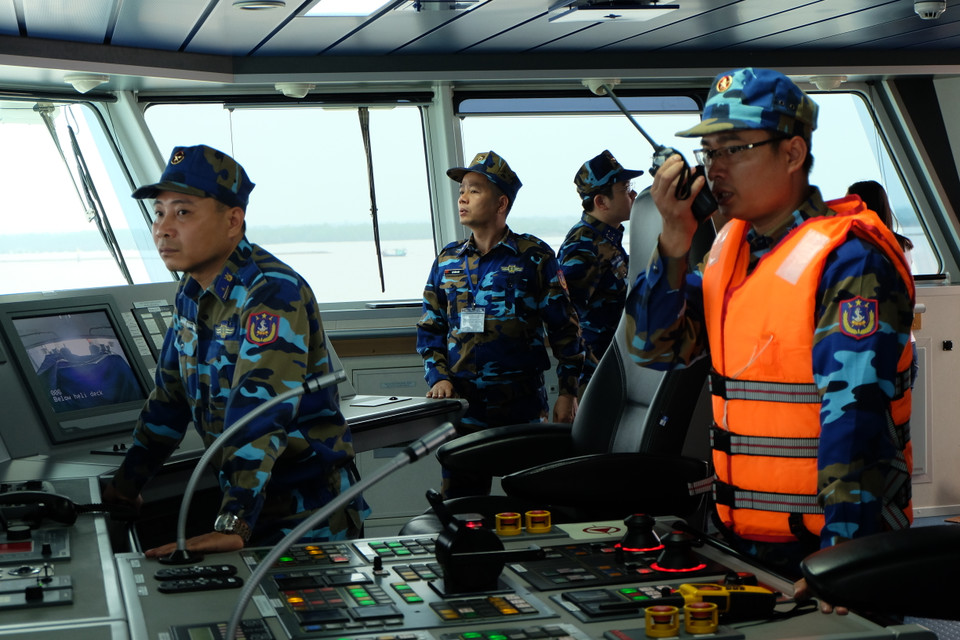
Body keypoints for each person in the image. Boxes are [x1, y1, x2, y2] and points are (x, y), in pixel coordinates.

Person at [623, 68, 915, 604]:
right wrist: (672, 239)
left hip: (830, 548)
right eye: (708, 154)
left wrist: (842, 559)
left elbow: (857, 420)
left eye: (735, 149)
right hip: (740, 543)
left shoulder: (850, 262)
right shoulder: (730, 253)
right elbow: (655, 346)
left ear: (792, 152)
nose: (715, 170)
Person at [104, 144, 368, 556]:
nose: (163, 228)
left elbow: (259, 411)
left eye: (183, 212)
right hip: (247, 502)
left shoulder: (270, 292)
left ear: (233, 220)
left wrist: (234, 519)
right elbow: (169, 402)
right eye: (159, 212)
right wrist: (126, 487)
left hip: (305, 514)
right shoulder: (191, 293)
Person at [417, 150, 585, 499]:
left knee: (530, 506)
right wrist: (439, 378)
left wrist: (568, 392)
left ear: (501, 202)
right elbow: (430, 328)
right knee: (462, 510)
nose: (462, 197)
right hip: (464, 406)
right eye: (462, 189)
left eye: (475, 189)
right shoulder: (448, 260)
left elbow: (565, 330)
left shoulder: (534, 256)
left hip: (520, 406)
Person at [558, 151, 643, 390]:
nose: (633, 194)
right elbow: (565, 316)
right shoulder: (584, 246)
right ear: (601, 202)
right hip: (597, 372)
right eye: (625, 189)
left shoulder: (605, 238)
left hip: (615, 362)